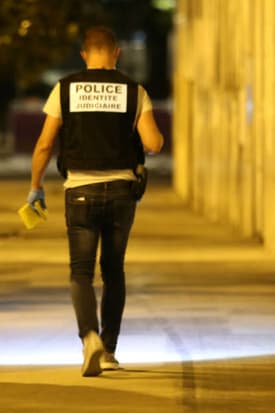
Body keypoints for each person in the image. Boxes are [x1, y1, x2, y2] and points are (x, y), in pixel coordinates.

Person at [27, 26, 163, 377]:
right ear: (116, 53)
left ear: (84, 54)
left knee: (81, 272)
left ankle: (89, 337)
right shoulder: (134, 91)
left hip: (80, 190)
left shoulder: (65, 89)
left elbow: (44, 143)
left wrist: (36, 186)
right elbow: (153, 143)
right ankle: (110, 351)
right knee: (113, 271)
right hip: (121, 192)